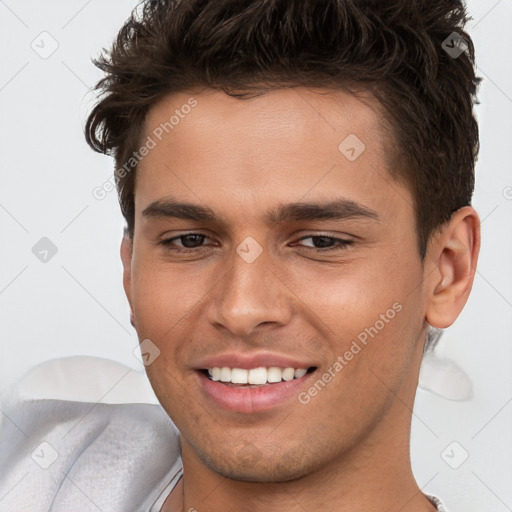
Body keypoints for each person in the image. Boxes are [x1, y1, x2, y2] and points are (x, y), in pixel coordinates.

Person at [0, 0, 481, 510]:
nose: (241, 308)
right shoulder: (31, 468)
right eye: (190, 241)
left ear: (448, 270)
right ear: (131, 268)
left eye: (320, 242)